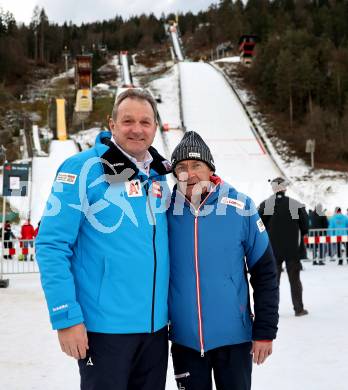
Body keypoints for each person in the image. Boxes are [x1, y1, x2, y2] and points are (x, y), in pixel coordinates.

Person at [36, 88, 172, 390]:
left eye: (145, 122)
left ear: (154, 127)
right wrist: (66, 318)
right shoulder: (83, 169)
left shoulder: (158, 175)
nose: (137, 129)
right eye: (128, 121)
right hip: (105, 329)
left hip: (154, 330)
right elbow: (51, 245)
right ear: (112, 125)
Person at [167, 131, 279, 390]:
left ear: (210, 169)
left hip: (234, 340)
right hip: (185, 342)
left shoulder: (240, 207)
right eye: (181, 167)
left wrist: (265, 330)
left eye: (197, 165)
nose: (189, 174)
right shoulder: (163, 210)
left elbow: (264, 273)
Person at [258, 177, 309, 317]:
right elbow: (305, 226)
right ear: (285, 188)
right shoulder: (295, 204)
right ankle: (299, 309)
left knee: (273, 281)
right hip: (293, 249)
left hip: (272, 249)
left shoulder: (266, 204)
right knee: (295, 280)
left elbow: (259, 226)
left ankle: (272, 310)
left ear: (273, 188)